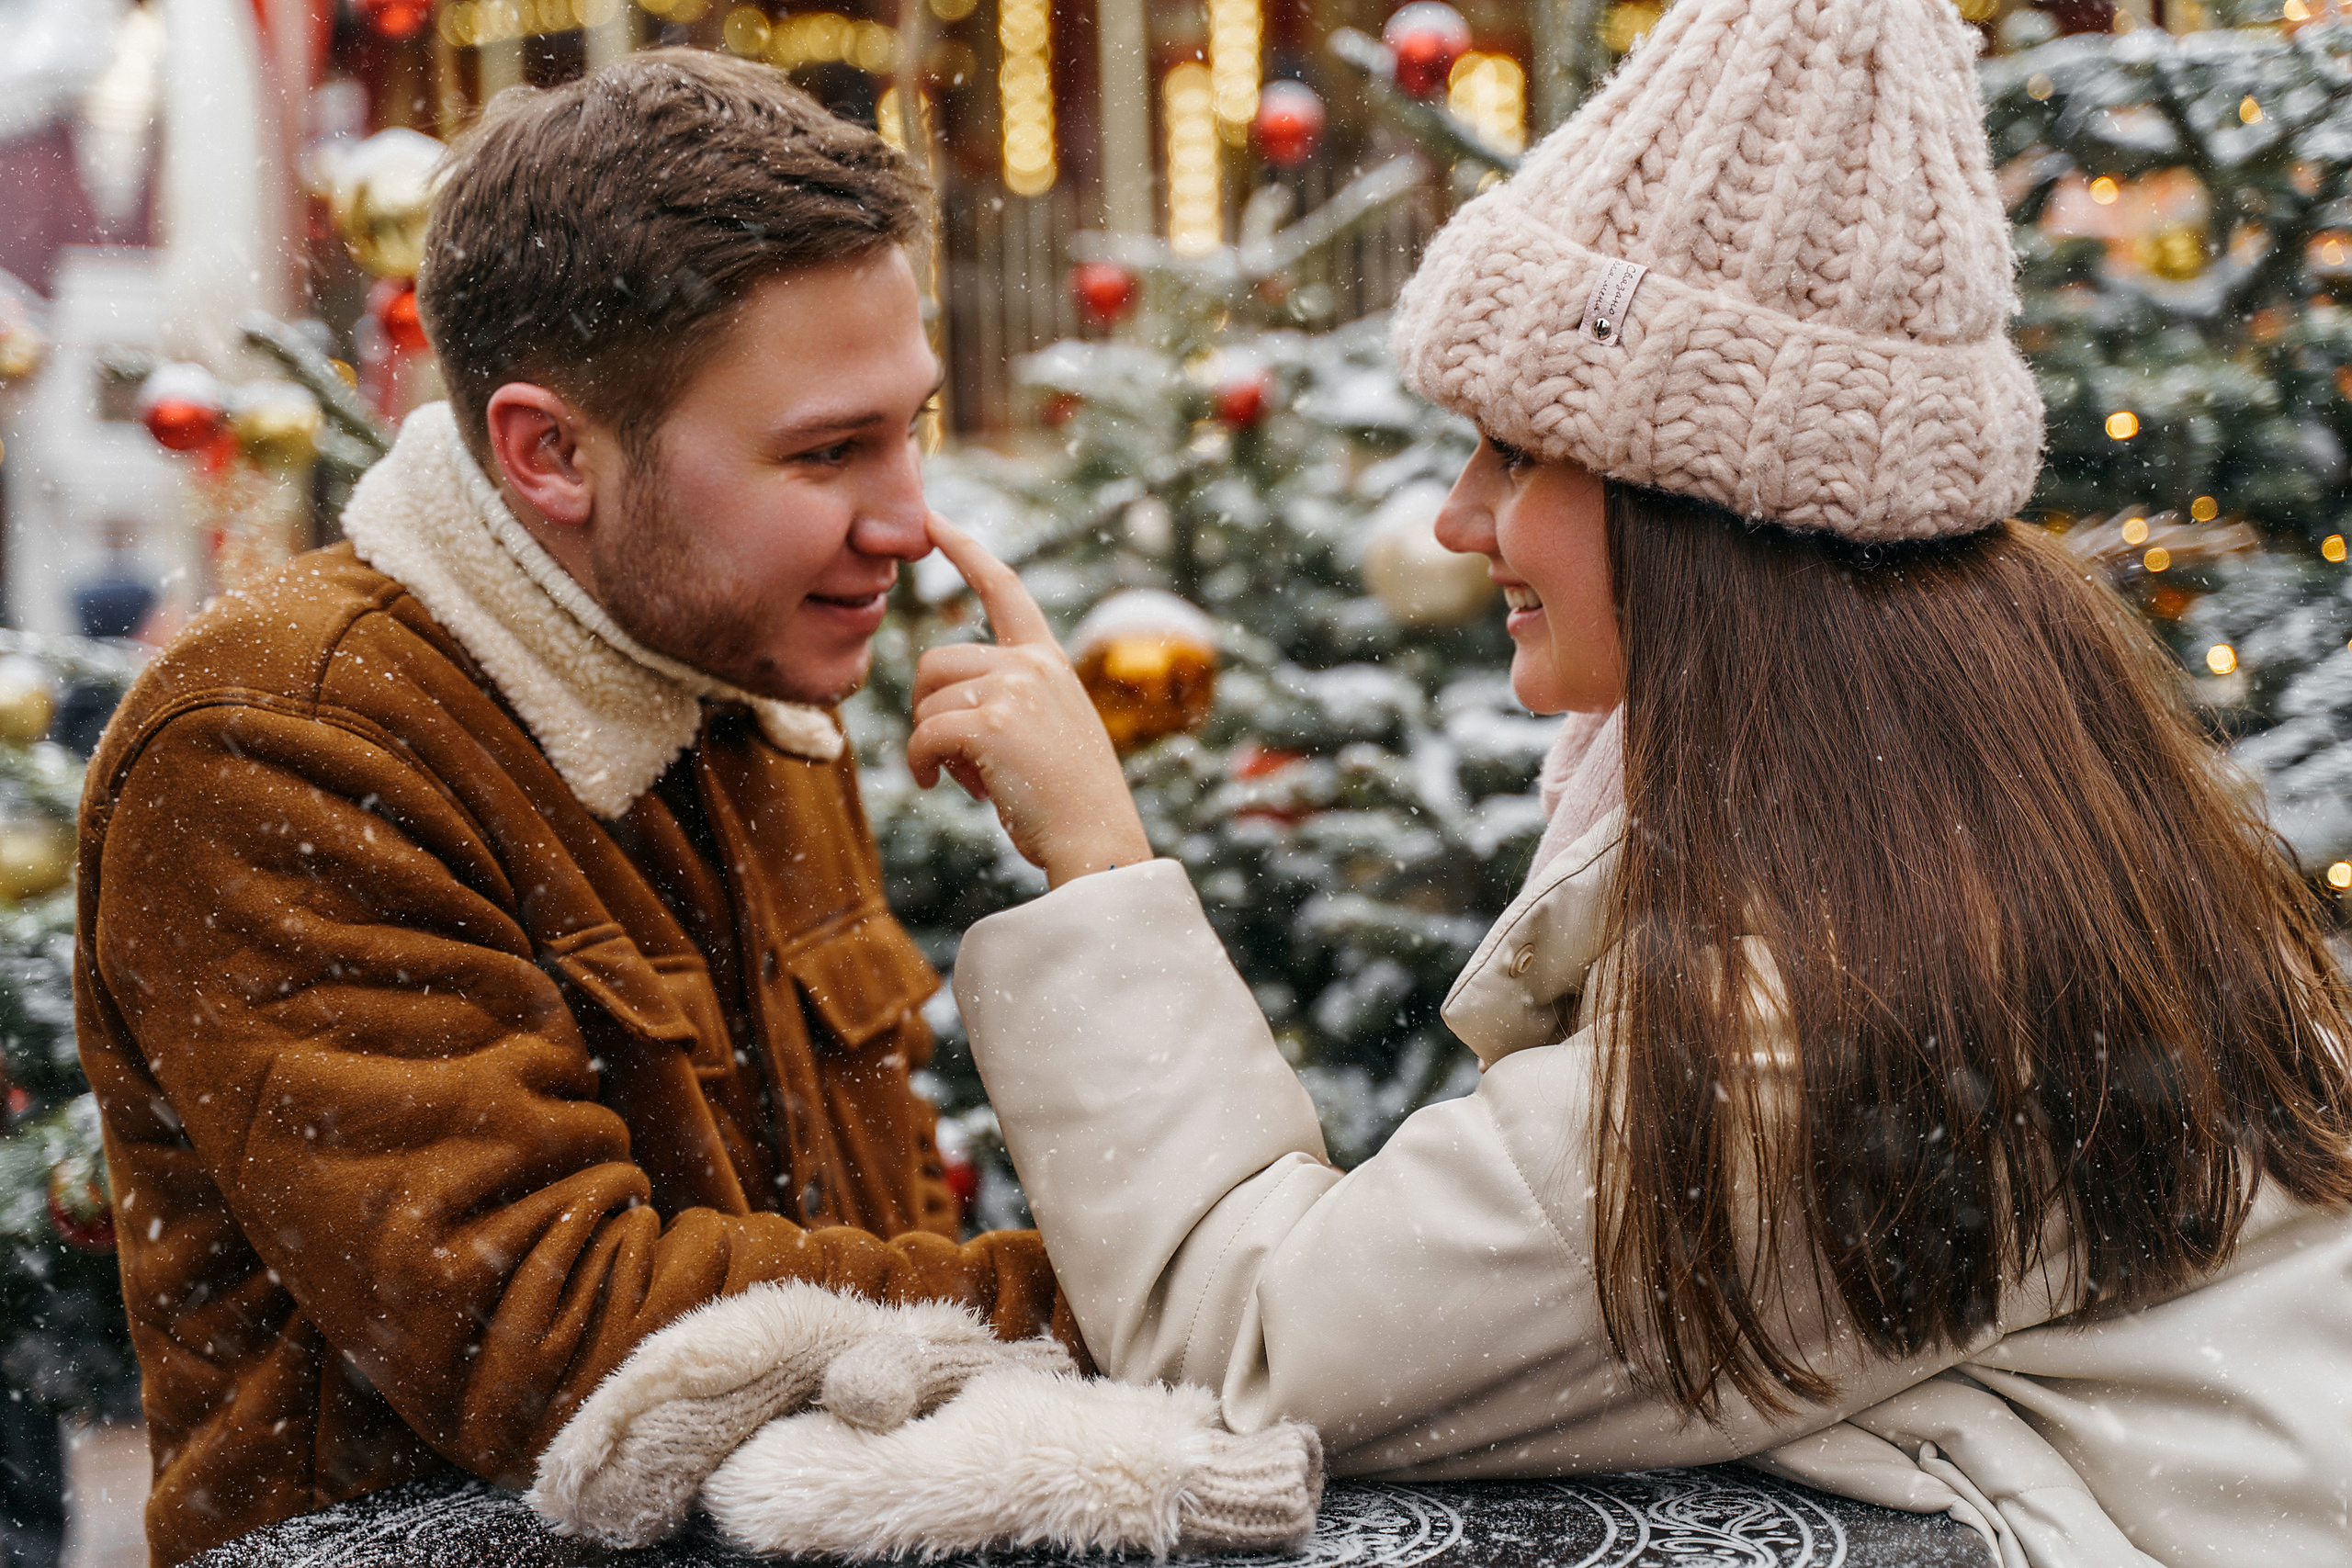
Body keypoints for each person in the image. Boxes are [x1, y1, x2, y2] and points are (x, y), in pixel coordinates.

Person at [906, 2, 2352, 1564]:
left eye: (1516, 456)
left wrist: (1097, 868)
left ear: (1700, 519)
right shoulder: (2018, 850)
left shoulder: (1797, 1052)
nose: (1461, 522)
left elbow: (1244, 1348)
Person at [75, 52, 1074, 1566]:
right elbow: (559, 1343)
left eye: (908, 427)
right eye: (826, 451)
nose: (907, 521)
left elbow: (846, 1229)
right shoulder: (282, 741)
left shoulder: (740, 666)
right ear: (551, 454)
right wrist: (1157, 1303)